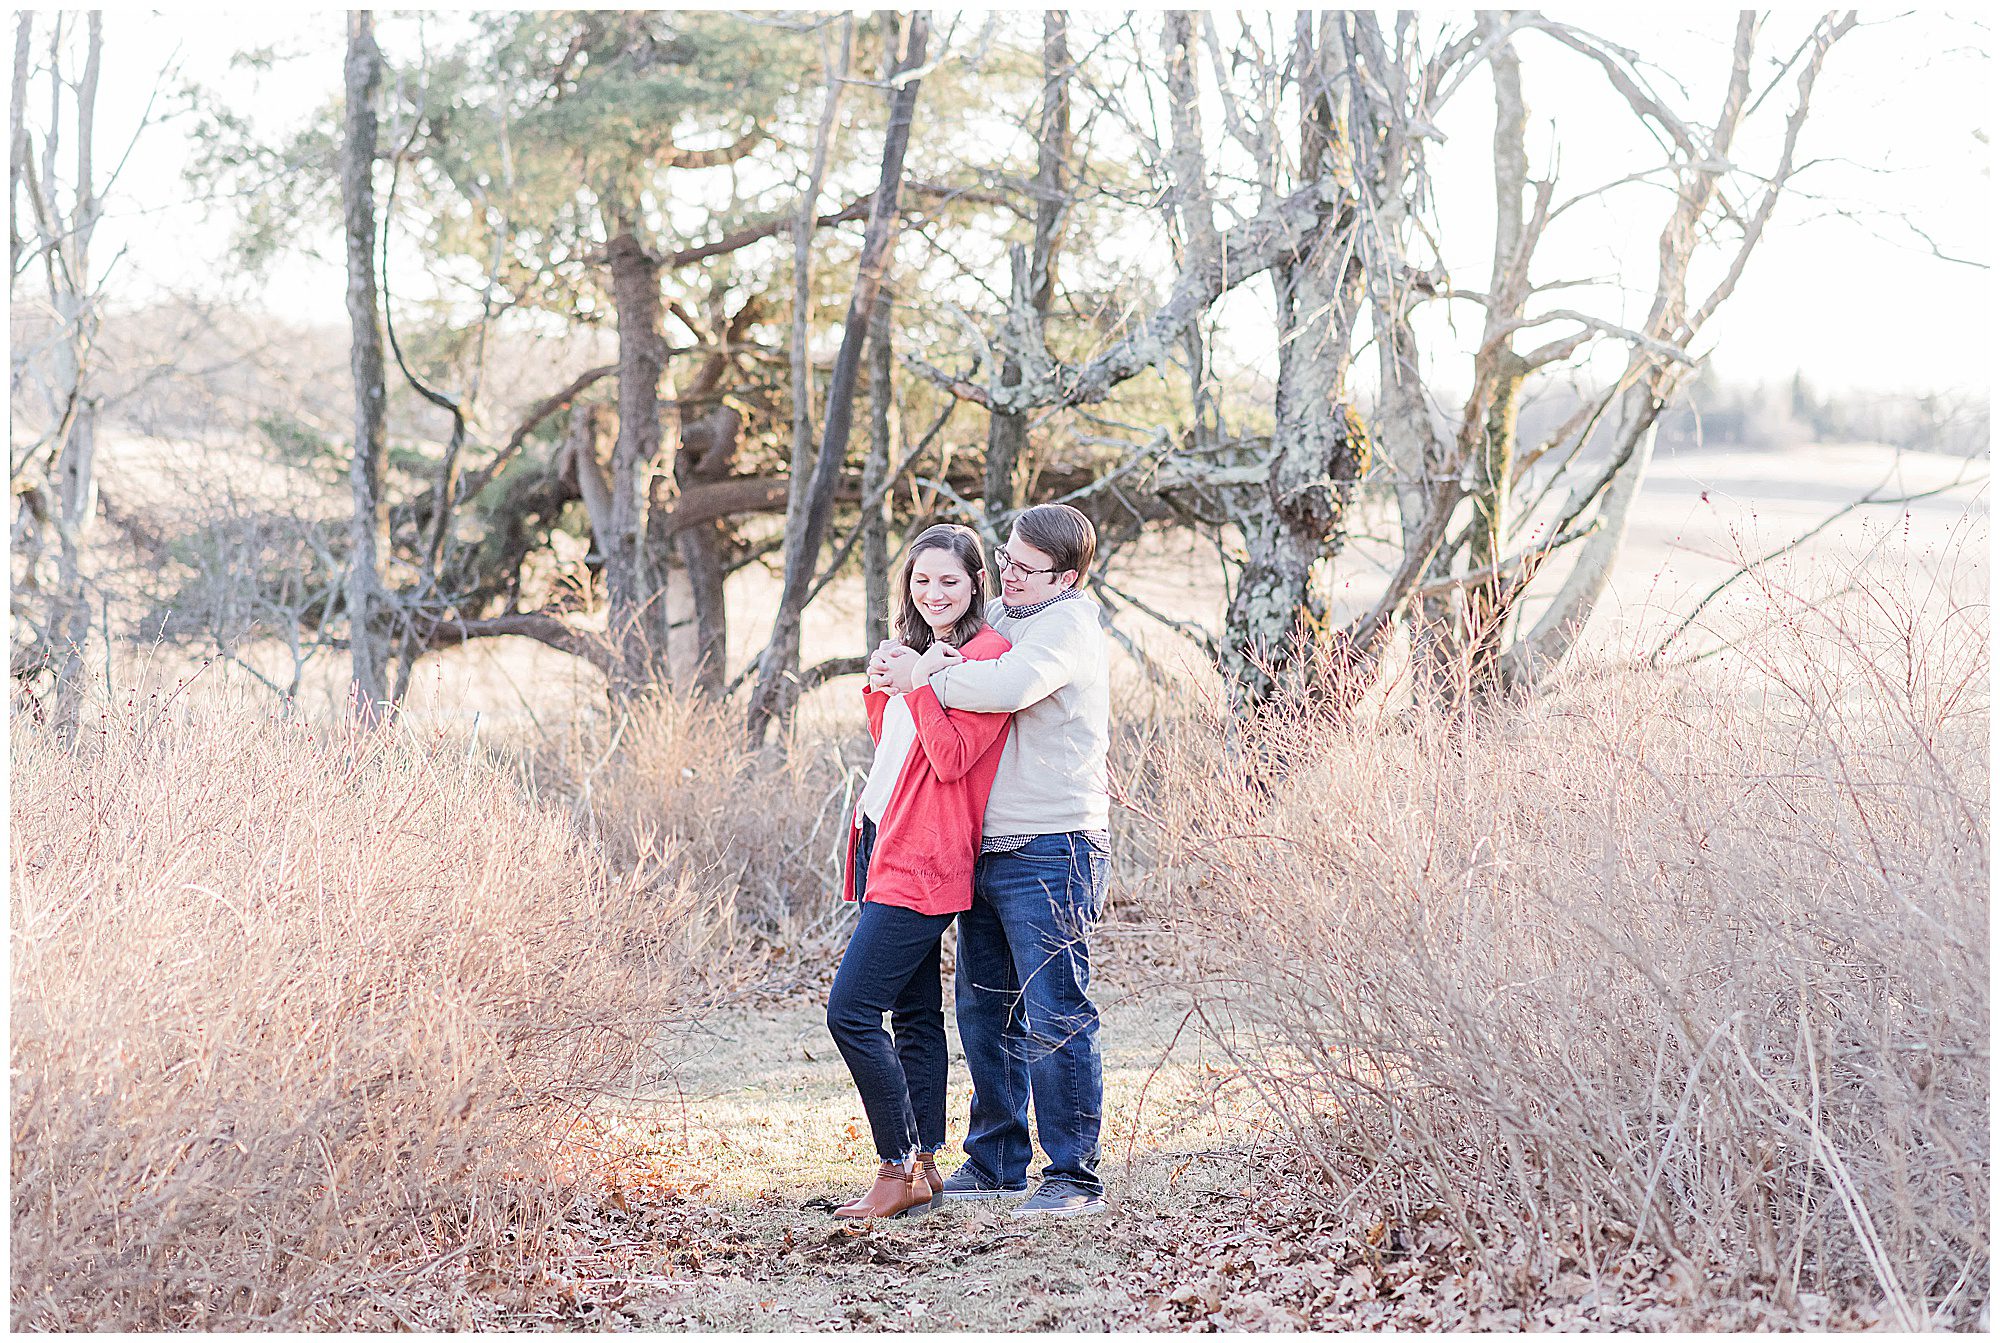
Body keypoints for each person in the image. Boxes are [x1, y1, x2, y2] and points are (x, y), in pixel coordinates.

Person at [872, 503, 1111, 1217]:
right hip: (987, 844)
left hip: (1053, 841)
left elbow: (1005, 687)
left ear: (1065, 576)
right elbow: (959, 653)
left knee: (1054, 1010)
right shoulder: (1008, 611)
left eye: (1025, 567)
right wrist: (906, 665)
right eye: (1004, 559)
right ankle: (998, 1159)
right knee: (984, 1010)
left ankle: (1072, 1175)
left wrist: (921, 679)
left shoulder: (1068, 623)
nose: (1007, 574)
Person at [825, 523, 1015, 1221]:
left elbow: (952, 759)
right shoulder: (918, 652)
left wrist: (924, 681)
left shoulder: (988, 655)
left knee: (848, 1010)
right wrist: (886, 683)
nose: (934, 593)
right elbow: (895, 745)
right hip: (882, 839)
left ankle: (895, 1162)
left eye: (950, 581)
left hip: (928, 855)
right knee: (911, 1014)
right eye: (922, 579)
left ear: (975, 586)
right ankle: (927, 1163)